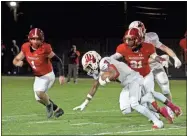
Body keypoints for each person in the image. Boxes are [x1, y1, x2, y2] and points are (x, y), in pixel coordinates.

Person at [74, 51, 168, 129]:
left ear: (94, 61)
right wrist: (85, 103)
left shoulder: (104, 62)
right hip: (127, 84)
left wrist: (106, 80)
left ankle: (157, 122)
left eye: (89, 67)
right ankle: (146, 99)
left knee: (134, 104)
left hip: (133, 79)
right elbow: (95, 85)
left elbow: (115, 73)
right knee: (125, 109)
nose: (89, 70)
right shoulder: (101, 69)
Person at [110, 28, 182, 121]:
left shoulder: (148, 47)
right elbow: (114, 57)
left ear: (137, 39)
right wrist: (107, 60)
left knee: (149, 95)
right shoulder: (122, 47)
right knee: (126, 110)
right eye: (126, 39)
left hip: (146, 76)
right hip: (132, 78)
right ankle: (156, 108)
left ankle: (169, 108)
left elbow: (155, 56)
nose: (127, 42)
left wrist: (162, 60)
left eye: (130, 39)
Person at [13, 28, 65, 118]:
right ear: (29, 39)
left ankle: (49, 105)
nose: (35, 41)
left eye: (38, 39)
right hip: (38, 77)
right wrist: (17, 63)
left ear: (42, 39)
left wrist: (61, 74)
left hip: (48, 75)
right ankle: (57, 109)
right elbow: (16, 59)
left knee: (39, 93)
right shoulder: (25, 47)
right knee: (38, 99)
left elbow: (57, 60)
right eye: (33, 39)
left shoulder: (45, 48)